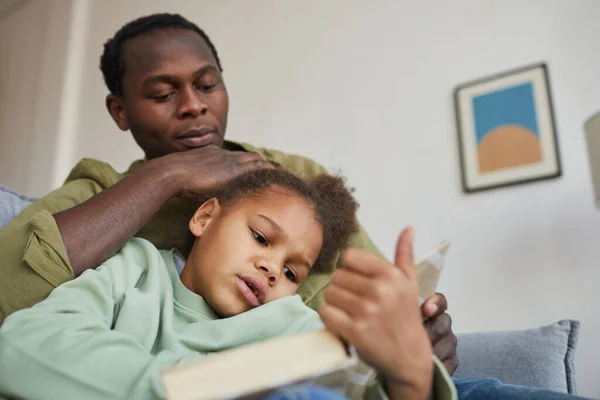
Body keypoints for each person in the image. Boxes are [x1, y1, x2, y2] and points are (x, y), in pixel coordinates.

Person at [0, 12, 457, 373]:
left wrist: (418, 335)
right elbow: (10, 294)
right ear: (121, 112)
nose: (194, 105)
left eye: (207, 84)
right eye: (162, 94)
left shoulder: (298, 177)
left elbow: (378, 298)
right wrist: (168, 176)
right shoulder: (99, 195)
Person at [0, 169, 452, 400]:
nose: (274, 269)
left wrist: (407, 372)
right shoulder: (134, 269)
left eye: (293, 272)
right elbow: (23, 345)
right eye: (260, 237)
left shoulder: (289, 319)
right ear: (205, 217)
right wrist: (185, 387)